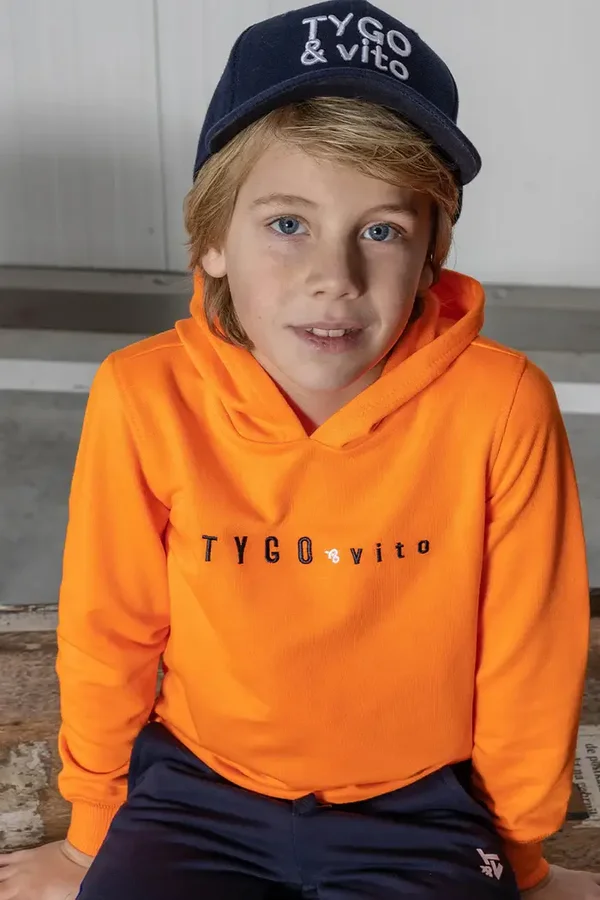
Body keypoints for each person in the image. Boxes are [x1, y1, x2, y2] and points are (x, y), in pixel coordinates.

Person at [0, 1, 596, 898]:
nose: (334, 278)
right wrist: (89, 839)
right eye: (288, 223)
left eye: (382, 230)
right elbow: (109, 630)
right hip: (194, 793)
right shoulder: (142, 393)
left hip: (420, 805)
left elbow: (530, 656)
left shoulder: (503, 406)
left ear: (431, 252)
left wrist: (522, 862)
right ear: (212, 239)